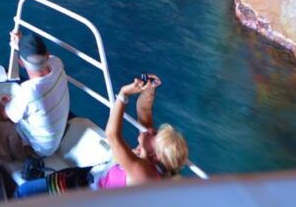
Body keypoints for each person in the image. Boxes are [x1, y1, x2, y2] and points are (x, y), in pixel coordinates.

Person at [14, 74, 189, 197]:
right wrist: (149, 90)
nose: (150, 130)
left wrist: (123, 95)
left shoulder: (144, 174)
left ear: (156, 156)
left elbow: (112, 136)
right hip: (86, 180)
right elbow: (144, 110)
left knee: (23, 193)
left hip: (85, 195)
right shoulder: (148, 158)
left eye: (155, 134)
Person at [0, 30, 70, 162]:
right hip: (49, 139)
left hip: (35, 150)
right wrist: (21, 44)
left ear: (21, 63)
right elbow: (39, 59)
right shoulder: (57, 63)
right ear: (47, 54)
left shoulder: (30, 91)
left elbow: (4, 114)